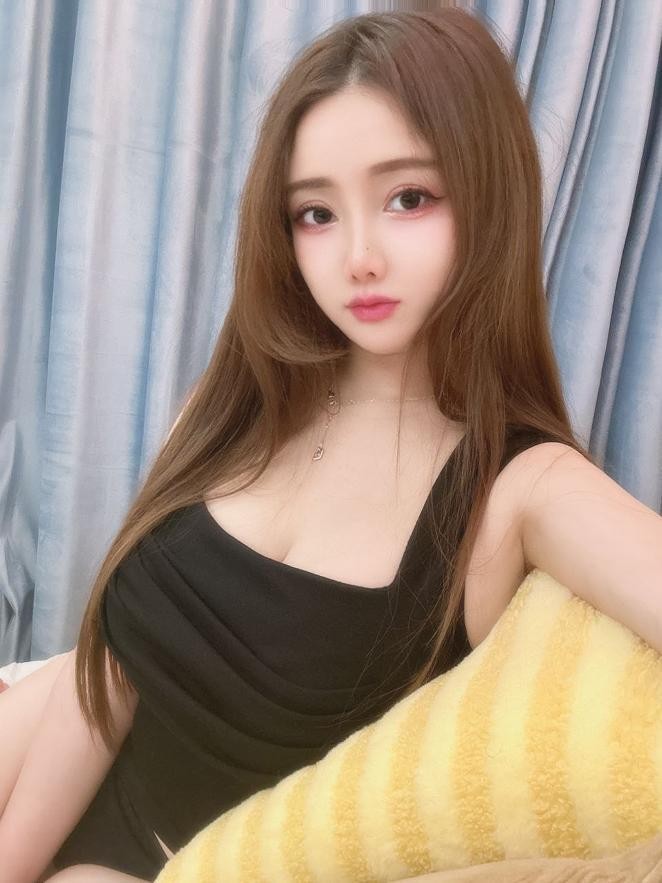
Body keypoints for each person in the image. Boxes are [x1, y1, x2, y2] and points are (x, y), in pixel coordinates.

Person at [1, 8, 661, 883]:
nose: (358, 257)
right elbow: (111, 669)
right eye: (315, 213)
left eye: (408, 198)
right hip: (52, 757)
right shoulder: (228, 409)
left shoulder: (520, 488)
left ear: (489, 195)